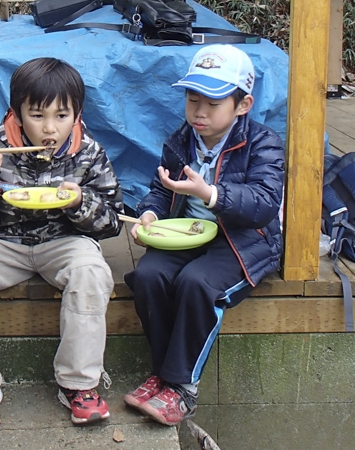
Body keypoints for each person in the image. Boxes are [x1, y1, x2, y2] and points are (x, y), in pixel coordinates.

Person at [0, 57, 124, 430]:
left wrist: (78, 202)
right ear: (18, 113)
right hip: (2, 242)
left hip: (64, 240)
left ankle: (79, 384)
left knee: (92, 272)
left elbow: (113, 221)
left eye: (61, 116)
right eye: (37, 116)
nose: (49, 128)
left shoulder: (87, 151)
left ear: (77, 114)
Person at [123, 44, 285, 426]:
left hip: (245, 240)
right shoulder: (182, 140)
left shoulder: (263, 143)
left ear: (242, 105)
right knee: (149, 275)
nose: (199, 111)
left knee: (198, 283)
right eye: (192, 99)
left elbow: (263, 203)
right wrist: (149, 213)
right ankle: (163, 375)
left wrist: (209, 193)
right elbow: (162, 189)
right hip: (188, 233)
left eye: (212, 103)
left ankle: (183, 388)